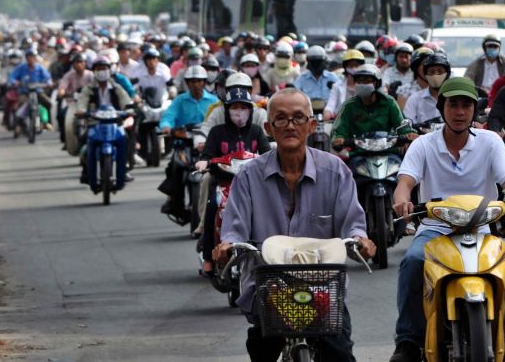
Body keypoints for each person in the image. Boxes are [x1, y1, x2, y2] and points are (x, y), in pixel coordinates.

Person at [214, 88, 377, 362]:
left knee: (340, 354)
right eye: (281, 119)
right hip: (269, 290)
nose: (290, 125)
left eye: (298, 118)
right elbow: (235, 226)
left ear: (312, 125)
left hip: (324, 289)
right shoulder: (249, 176)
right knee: (261, 350)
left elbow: (352, 223)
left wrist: (361, 239)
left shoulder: (336, 171)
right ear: (268, 127)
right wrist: (227, 245)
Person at [389, 77, 505, 362]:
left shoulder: (491, 142)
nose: (459, 112)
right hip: (435, 230)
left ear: (474, 110)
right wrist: (401, 200)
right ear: (442, 107)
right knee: (412, 262)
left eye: (466, 105)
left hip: (481, 229)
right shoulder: (423, 145)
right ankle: (408, 341)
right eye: (452, 104)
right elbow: (405, 181)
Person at [195, 87, 271, 275]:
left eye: (243, 107)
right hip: (224, 183)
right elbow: (208, 154)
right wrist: (205, 162)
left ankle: (269, 251)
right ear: (227, 110)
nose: (239, 112)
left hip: (253, 184)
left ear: (250, 110)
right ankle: (207, 258)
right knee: (212, 208)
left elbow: (267, 154)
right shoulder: (217, 132)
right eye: (234, 107)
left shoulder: (256, 131)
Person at [158, 65, 218, 222]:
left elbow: (221, 117)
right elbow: (169, 116)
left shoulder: (214, 101)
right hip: (184, 144)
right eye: (191, 81)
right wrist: (166, 126)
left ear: (204, 82)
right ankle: (172, 199)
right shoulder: (179, 100)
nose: (195, 84)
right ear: (187, 83)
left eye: (199, 81)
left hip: (207, 145)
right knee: (174, 166)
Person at [76, 56, 133, 189]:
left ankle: (125, 167)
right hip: (94, 123)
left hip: (115, 122)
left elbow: (125, 100)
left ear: (109, 70)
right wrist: (81, 110)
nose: (102, 71)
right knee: (83, 142)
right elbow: (82, 101)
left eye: (104, 68)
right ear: (94, 71)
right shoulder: (89, 88)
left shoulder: (116, 87)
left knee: (127, 140)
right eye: (99, 69)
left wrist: (129, 109)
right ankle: (86, 170)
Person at [331, 64, 417, 151]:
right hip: (359, 154)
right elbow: (339, 130)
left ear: (377, 83)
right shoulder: (349, 106)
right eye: (359, 81)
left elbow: (401, 124)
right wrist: (339, 138)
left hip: (388, 152)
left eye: (367, 81)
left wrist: (409, 134)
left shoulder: (389, 103)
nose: (362, 84)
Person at [8, 48, 54, 131]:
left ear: (35, 58)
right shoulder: (21, 68)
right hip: (25, 92)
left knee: (48, 103)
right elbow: (12, 77)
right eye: (29, 56)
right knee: (20, 104)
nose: (31, 58)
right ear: (26, 58)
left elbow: (48, 78)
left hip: (38, 92)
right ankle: (19, 124)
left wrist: (49, 83)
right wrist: (15, 82)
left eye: (33, 56)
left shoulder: (40, 68)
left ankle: (47, 123)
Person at [57, 52, 93, 145]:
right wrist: (62, 92)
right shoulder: (69, 75)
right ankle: (65, 139)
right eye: (76, 62)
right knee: (61, 115)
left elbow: (95, 86)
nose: (78, 64)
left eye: (80, 62)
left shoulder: (90, 75)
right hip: (73, 104)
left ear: (85, 63)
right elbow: (63, 86)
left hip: (88, 104)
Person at [403, 53, 449, 124]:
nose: (435, 75)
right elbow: (408, 124)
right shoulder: (414, 99)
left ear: (447, 74)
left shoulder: (454, 98)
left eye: (440, 71)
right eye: (431, 71)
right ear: (425, 75)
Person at [323, 49, 364, 120]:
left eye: (356, 65)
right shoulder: (337, 86)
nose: (354, 68)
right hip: (342, 122)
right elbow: (330, 106)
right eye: (351, 65)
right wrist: (327, 113)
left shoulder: (366, 85)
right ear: (346, 67)